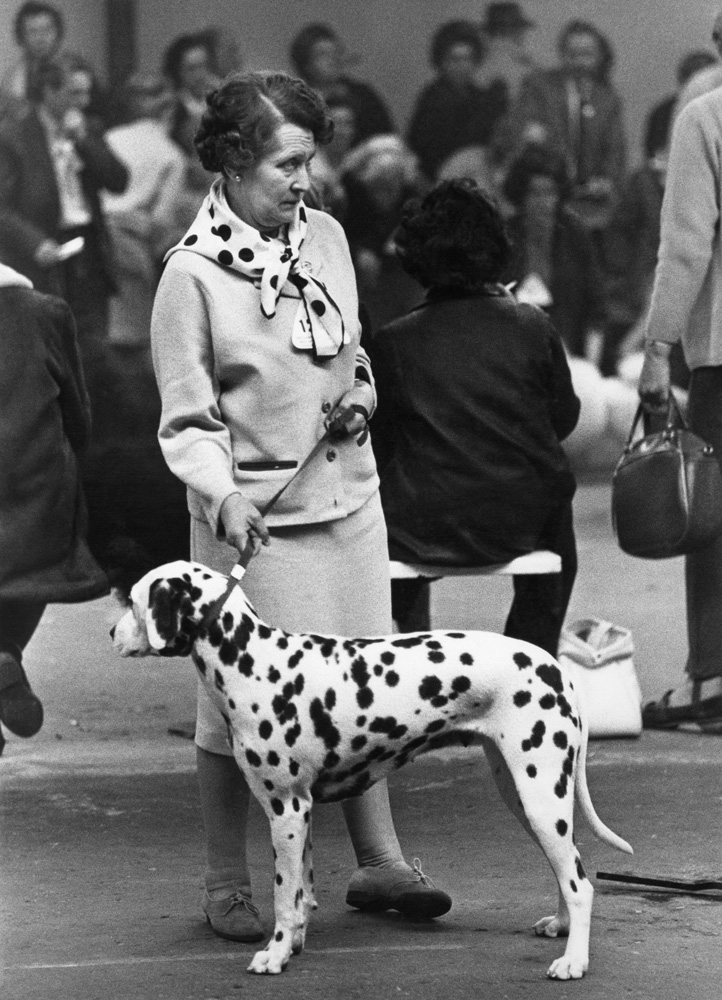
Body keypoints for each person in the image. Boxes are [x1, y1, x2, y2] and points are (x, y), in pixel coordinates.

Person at [150, 70, 451, 941]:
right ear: (235, 163)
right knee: (236, 707)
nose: (303, 181)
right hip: (254, 525)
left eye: (309, 162)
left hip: (350, 504)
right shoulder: (190, 277)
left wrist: (362, 392)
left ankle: (381, 861)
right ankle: (225, 879)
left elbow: (350, 351)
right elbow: (187, 417)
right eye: (287, 163)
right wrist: (222, 500)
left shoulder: (326, 237)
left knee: (366, 685)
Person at [367, 179, 580, 650]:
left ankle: (399, 658)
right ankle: (528, 662)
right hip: (519, 522)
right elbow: (564, 418)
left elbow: (381, 444)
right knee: (559, 539)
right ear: (497, 249)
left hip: (422, 526)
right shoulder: (532, 325)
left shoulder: (393, 341)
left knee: (383, 537)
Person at [637, 84, 722, 731]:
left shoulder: (706, 116)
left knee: (714, 519)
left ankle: (714, 689)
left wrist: (658, 347)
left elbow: (688, 244)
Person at [0, 261, 109, 756]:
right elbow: (79, 419)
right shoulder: (44, 312)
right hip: (35, 505)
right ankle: (5, 654)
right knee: (21, 589)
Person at [0, 54, 128, 436]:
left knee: (92, 350)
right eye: (74, 93)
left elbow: (118, 180)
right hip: (40, 255)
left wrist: (84, 141)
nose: (83, 102)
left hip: (86, 251)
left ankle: (97, 440)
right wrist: (34, 241)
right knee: (45, 354)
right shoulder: (13, 136)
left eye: (86, 93)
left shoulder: (88, 127)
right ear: (48, 92)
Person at [498, 19, 626, 237]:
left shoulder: (608, 99)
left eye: (586, 54)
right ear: (562, 54)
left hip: (589, 198)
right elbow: (514, 132)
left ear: (599, 56)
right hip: (543, 192)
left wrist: (605, 181)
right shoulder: (539, 86)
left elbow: (615, 152)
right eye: (572, 54)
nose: (579, 62)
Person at [102, 71, 186, 349]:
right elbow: (161, 219)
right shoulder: (171, 154)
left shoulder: (109, 137)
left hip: (93, 238)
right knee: (132, 341)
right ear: (170, 113)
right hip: (130, 242)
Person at [502, 144, 606, 361]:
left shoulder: (575, 235)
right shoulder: (502, 237)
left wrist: (589, 367)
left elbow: (597, 310)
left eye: (550, 192)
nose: (543, 202)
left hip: (569, 355)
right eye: (535, 193)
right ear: (521, 194)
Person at [407, 19, 507, 184]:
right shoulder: (433, 99)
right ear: (441, 62)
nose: (462, 66)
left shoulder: (481, 95)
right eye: (454, 60)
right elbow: (432, 151)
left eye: (468, 59)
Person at [289, 23, 394, 146]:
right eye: (323, 55)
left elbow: (386, 135)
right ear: (306, 64)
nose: (333, 60)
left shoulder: (363, 95)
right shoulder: (296, 102)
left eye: (336, 53)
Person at [0, 1, 64, 121]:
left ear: (57, 32)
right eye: (33, 31)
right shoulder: (14, 80)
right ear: (21, 37)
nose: (41, 38)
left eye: (47, 29)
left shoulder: (75, 68)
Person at [477, 2, 537, 107]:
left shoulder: (477, 65)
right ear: (515, 30)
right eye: (521, 29)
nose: (523, 34)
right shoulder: (525, 67)